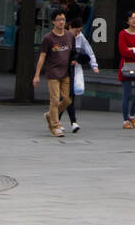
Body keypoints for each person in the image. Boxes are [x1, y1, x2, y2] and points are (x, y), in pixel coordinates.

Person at [33, 10, 75, 139]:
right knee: (55, 99)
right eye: (58, 19)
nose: (61, 22)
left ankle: (50, 115)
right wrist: (37, 75)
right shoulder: (48, 38)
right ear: (53, 22)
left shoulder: (69, 36)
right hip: (52, 73)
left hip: (66, 73)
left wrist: (75, 59)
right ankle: (55, 126)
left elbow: (74, 51)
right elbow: (42, 56)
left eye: (63, 19)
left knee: (67, 100)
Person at [65, 13, 99, 133]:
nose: (78, 33)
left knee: (70, 96)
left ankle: (72, 122)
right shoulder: (64, 36)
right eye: (77, 30)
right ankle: (56, 121)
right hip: (63, 70)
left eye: (80, 30)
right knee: (63, 98)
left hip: (74, 70)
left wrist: (94, 65)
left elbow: (89, 52)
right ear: (71, 28)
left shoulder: (81, 38)